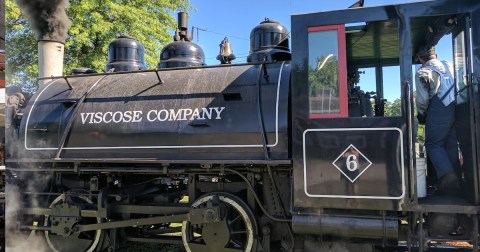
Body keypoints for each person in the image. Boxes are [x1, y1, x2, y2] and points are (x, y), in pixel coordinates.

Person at [415, 46, 459, 195]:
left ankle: (448, 179)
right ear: (436, 55)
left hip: (440, 107)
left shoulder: (422, 72)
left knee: (432, 144)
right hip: (458, 105)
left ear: (420, 59)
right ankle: (456, 179)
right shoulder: (449, 65)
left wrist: (421, 115)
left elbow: (422, 100)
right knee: (450, 143)